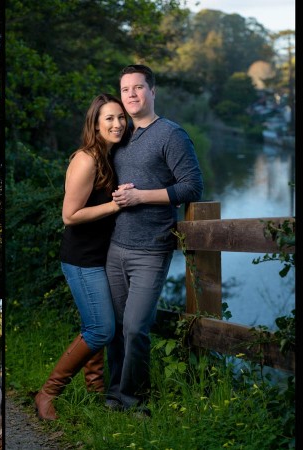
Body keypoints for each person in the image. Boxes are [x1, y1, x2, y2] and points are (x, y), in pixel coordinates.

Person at [106, 64, 204, 416]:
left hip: (152, 247)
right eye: (125, 89)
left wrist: (141, 197)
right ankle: (114, 395)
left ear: (152, 91)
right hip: (115, 246)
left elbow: (193, 186)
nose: (131, 94)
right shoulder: (122, 135)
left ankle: (136, 402)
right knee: (116, 327)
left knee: (135, 328)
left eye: (138, 87)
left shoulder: (171, 135)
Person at [34, 93, 132, 421]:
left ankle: (94, 390)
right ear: (95, 123)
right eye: (110, 118)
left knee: (99, 323)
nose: (117, 124)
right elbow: (69, 215)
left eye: (121, 117)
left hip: (102, 256)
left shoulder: (110, 155)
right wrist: (117, 204)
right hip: (81, 259)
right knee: (101, 329)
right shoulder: (86, 159)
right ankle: (47, 393)